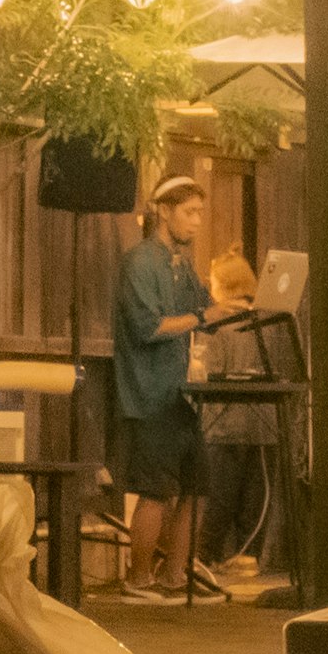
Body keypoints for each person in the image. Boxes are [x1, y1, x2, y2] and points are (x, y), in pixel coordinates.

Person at [111, 174, 216, 605]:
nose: (196, 222)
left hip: (181, 393)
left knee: (196, 485)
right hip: (149, 392)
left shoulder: (181, 264)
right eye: (189, 212)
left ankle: (174, 575)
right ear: (163, 210)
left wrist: (231, 311)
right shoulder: (141, 262)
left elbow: (205, 307)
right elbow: (147, 327)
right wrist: (203, 318)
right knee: (156, 489)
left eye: (199, 214)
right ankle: (138, 579)